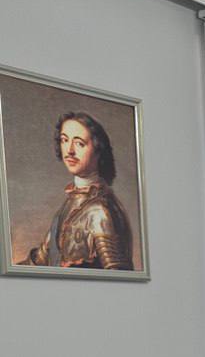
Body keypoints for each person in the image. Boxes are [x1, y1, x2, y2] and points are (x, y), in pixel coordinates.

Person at [23, 111, 133, 270]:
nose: (69, 150)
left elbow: (119, 274)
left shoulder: (100, 212)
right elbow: (41, 259)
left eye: (79, 143)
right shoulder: (70, 205)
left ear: (98, 151)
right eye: (64, 140)